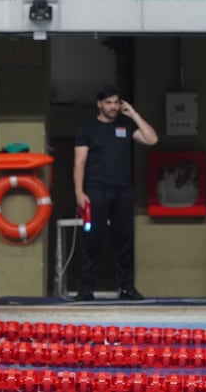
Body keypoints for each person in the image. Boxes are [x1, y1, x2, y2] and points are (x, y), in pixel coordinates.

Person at [73, 86, 158, 301]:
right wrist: (78, 191)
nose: (113, 107)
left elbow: (151, 139)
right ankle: (87, 288)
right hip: (96, 191)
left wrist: (135, 115)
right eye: (108, 103)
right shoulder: (87, 129)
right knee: (93, 240)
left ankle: (127, 287)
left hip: (123, 191)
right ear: (99, 104)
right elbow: (79, 162)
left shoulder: (126, 126)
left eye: (116, 103)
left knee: (124, 240)